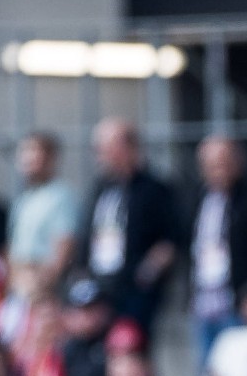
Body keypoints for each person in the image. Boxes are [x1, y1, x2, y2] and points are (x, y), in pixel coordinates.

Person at [76, 118, 182, 333]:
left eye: (105, 149)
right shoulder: (101, 188)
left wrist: (148, 272)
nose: (99, 156)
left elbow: (172, 237)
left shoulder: (154, 190)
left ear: (126, 148)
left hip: (134, 289)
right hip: (100, 287)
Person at [191, 137, 247, 365]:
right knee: (208, 372)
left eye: (223, 164)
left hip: (238, 301)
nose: (217, 172)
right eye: (211, 166)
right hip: (204, 300)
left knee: (238, 368)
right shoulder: (200, 198)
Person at [7, 132, 79, 290]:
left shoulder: (61, 196)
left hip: (42, 281)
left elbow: (64, 244)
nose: (27, 160)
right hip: (20, 279)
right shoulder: (24, 199)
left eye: (34, 154)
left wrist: (46, 283)